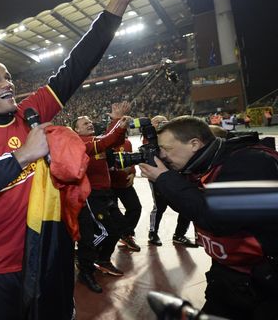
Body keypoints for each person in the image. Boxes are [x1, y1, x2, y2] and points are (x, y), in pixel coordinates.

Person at [0, 0, 144, 319]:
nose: (6, 84)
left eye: (6, 77)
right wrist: (21, 157)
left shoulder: (30, 111)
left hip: (51, 254)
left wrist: (117, 3)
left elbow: (76, 67)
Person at [139, 116, 278, 319]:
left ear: (194, 144)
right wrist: (167, 178)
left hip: (266, 282)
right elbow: (187, 207)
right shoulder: (201, 167)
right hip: (228, 273)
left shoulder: (251, 162)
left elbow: (217, 219)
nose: (163, 155)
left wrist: (165, 179)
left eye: (167, 148)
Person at [70, 104, 131, 293]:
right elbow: (107, 141)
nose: (89, 124)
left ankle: (99, 258)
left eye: (90, 121)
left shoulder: (96, 139)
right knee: (103, 233)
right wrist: (118, 122)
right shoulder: (79, 143)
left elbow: (114, 140)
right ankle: (85, 265)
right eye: (84, 123)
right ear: (76, 130)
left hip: (106, 193)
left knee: (119, 228)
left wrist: (118, 124)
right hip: (91, 195)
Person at [145, 115, 197, 248]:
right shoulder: (149, 143)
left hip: (178, 174)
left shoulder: (174, 137)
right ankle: (153, 233)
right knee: (159, 206)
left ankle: (179, 234)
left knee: (187, 204)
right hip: (158, 178)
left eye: (163, 121)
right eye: (157, 122)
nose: (160, 124)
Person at [110, 138, 142, 253]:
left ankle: (125, 235)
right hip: (109, 185)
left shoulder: (127, 142)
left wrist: (132, 174)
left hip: (125, 183)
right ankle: (118, 237)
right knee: (113, 214)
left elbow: (131, 162)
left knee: (135, 208)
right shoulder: (103, 141)